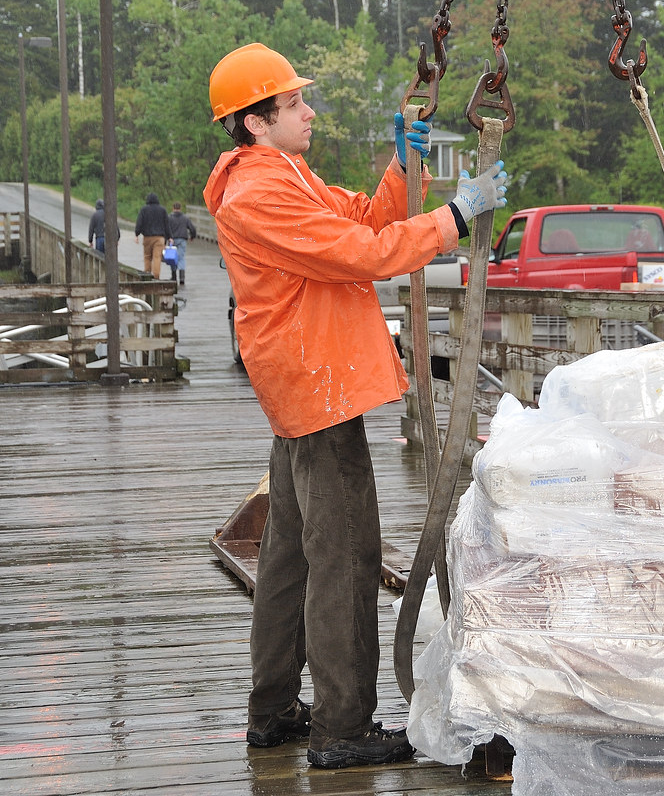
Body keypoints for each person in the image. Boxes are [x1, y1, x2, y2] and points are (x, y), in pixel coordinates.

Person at [202, 42, 508, 770]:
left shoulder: (283, 175)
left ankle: (274, 711)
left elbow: (367, 220)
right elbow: (366, 255)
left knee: (288, 558)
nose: (309, 111)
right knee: (345, 557)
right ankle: (343, 728)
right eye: (294, 103)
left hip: (305, 386)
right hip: (317, 388)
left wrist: (404, 165)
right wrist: (456, 216)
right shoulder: (261, 195)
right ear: (254, 122)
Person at [134, 193, 172, 278]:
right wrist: (170, 237)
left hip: (147, 237)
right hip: (159, 238)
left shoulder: (144, 210)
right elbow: (167, 224)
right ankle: (156, 276)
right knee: (157, 257)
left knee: (147, 257)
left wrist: (137, 234)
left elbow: (139, 223)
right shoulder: (162, 210)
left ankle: (147, 275)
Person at [167, 202, 198, 285]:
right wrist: (192, 236)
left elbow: (166, 228)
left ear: (173, 208)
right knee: (181, 258)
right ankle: (182, 278)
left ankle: (174, 276)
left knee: (172, 258)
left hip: (172, 240)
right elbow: (192, 228)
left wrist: (167, 238)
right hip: (182, 239)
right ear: (180, 208)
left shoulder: (169, 218)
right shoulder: (185, 218)